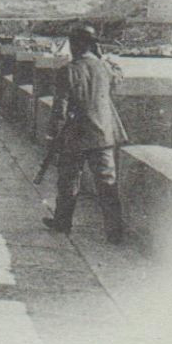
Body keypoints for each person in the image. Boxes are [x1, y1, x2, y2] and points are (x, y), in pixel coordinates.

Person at [45, 24, 128, 244]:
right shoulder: (105, 68)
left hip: (76, 135)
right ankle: (114, 231)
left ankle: (62, 223)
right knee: (107, 183)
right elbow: (118, 77)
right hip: (103, 136)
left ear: (77, 45)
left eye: (73, 43)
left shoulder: (67, 70)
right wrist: (103, 58)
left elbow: (60, 109)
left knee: (68, 181)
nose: (71, 47)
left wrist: (53, 135)